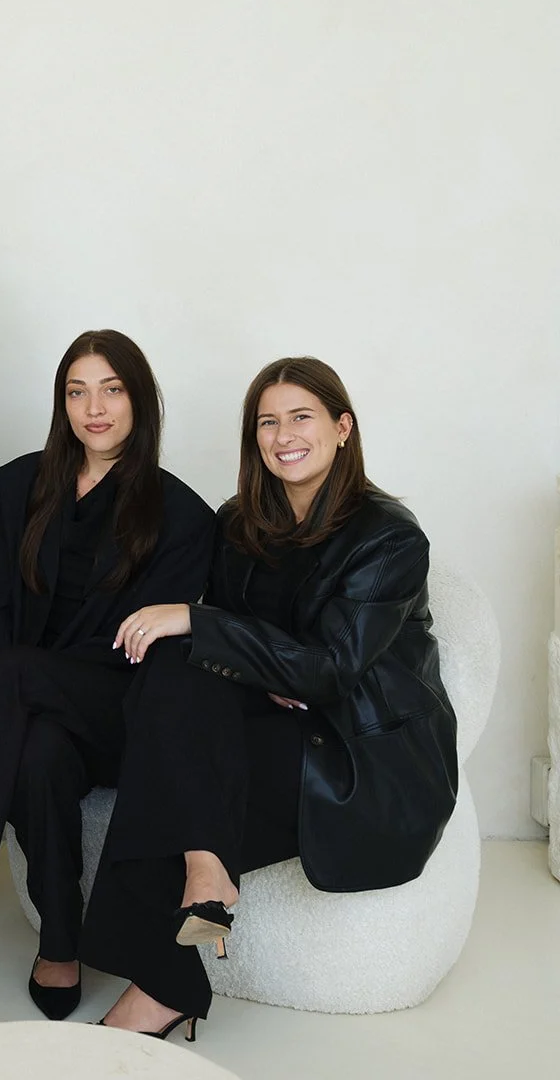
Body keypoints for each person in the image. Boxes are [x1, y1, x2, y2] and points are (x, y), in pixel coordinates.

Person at [82, 356, 457, 1041]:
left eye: (301, 417)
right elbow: (238, 659)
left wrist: (208, 627)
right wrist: (255, 661)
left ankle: (165, 983)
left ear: (342, 428)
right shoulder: (240, 523)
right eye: (267, 422)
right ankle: (204, 878)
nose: (283, 436)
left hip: (356, 749)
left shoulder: (390, 538)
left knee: (170, 775)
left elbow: (328, 670)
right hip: (273, 717)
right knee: (171, 674)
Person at [0, 330, 215, 1017]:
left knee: (20, 683)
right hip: (29, 702)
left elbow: (146, 651)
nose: (95, 408)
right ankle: (60, 942)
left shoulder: (183, 515)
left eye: (112, 390)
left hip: (119, 709)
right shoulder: (19, 483)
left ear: (140, 400)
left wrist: (11, 685)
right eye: (77, 392)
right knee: (38, 752)